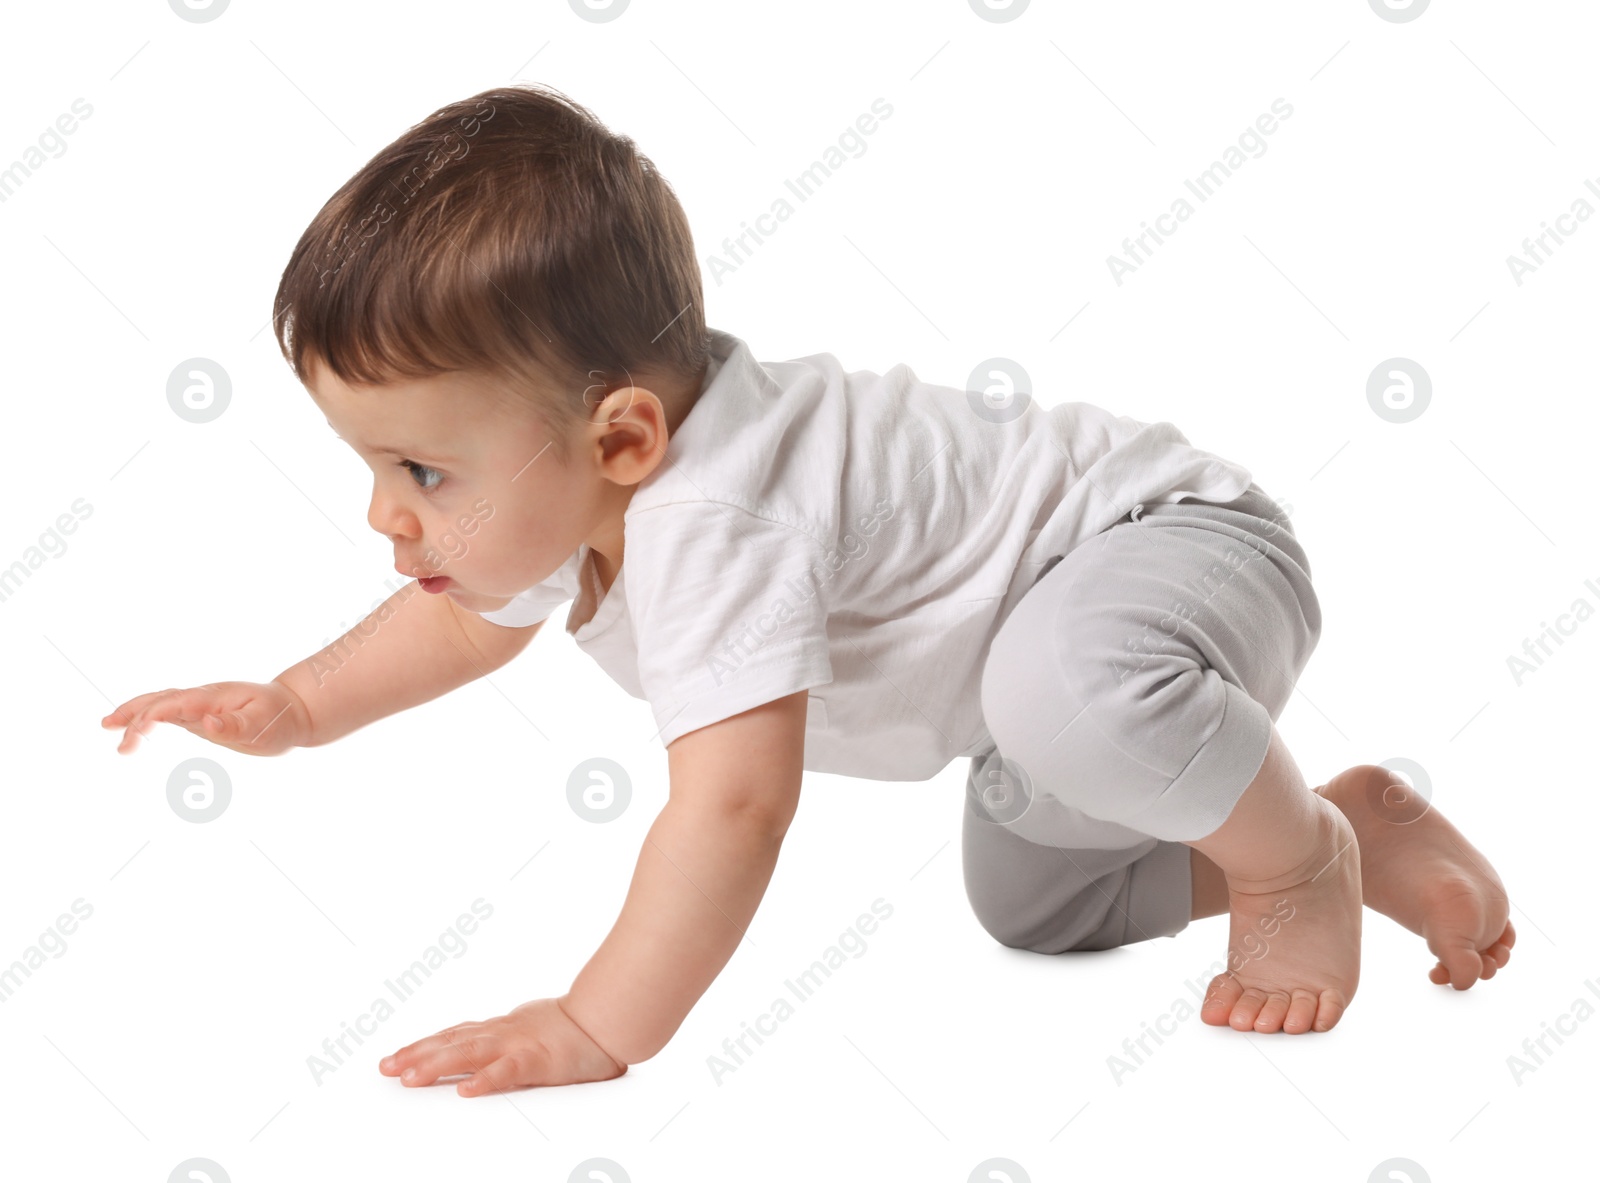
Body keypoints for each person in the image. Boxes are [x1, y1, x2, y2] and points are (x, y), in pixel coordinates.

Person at [100, 81, 1514, 1096]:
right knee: (1045, 908)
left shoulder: (714, 513)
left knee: (1063, 696)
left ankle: (1291, 862)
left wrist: (602, 1024)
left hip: (1175, 546)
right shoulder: (585, 488)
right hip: (1063, 679)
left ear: (623, 436)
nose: (383, 511)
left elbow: (734, 802)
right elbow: (467, 616)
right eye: (375, 466)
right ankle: (1357, 824)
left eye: (421, 470)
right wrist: (297, 705)